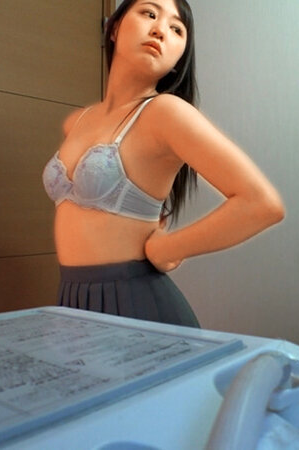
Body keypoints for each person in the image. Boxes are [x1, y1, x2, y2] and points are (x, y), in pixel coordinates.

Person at [42, 0, 284, 327]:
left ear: (179, 58)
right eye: (149, 13)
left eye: (176, 29)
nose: (160, 30)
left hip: (136, 303)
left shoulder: (165, 112)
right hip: (72, 299)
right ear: (113, 28)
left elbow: (262, 204)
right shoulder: (78, 121)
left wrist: (169, 248)